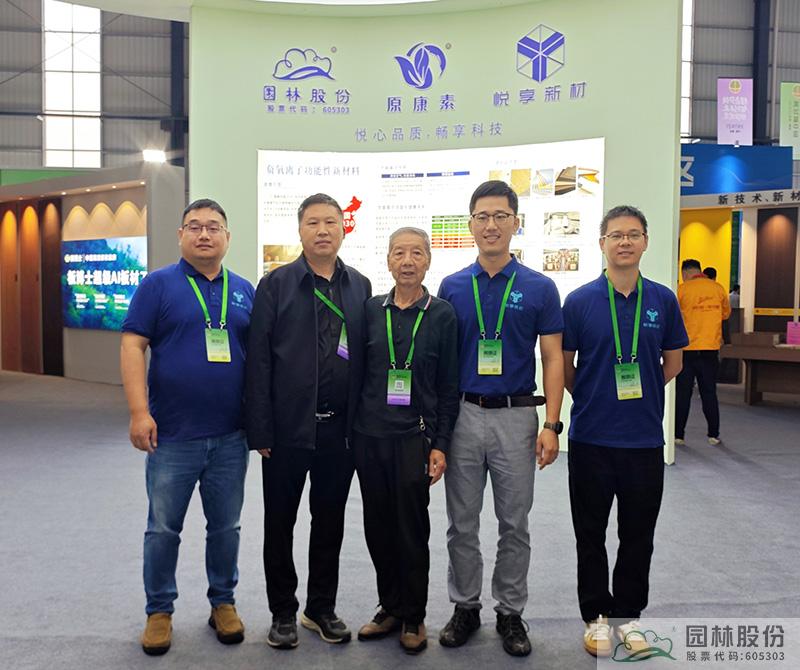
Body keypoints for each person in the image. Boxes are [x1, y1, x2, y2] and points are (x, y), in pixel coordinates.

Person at [437, 180, 565, 658]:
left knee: (514, 522)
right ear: (470, 224)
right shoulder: (452, 287)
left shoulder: (539, 287)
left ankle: (510, 611)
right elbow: (440, 362)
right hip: (463, 415)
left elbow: (552, 358)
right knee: (461, 522)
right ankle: (465, 606)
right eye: (482, 217)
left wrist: (552, 424)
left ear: (516, 222)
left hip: (517, 416)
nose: (491, 225)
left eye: (500, 216)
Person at [121, 199, 254, 656]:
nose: (204, 234)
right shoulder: (157, 285)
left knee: (226, 528)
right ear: (180, 235)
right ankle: (159, 610)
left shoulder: (244, 290)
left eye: (213, 227)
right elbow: (133, 345)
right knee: (163, 528)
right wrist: (139, 412)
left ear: (227, 237)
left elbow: (258, 360)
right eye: (194, 227)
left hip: (231, 437)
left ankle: (223, 602)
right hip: (172, 436)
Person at [245, 193, 371, 650]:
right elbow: (259, 360)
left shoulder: (359, 286)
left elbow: (367, 359)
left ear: (343, 229)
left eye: (331, 222)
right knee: (280, 523)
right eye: (313, 222)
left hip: (339, 432)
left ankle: (320, 607)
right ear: (300, 231)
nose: (322, 230)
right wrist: (260, 428)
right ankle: (282, 611)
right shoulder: (276, 284)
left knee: (329, 521)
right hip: (286, 431)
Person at [562, 205, 687, 658]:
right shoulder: (579, 301)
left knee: (638, 535)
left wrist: (643, 393)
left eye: (634, 234)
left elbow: (674, 362)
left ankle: (627, 618)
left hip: (643, 441)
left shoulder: (663, 300)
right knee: (590, 533)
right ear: (602, 243)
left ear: (646, 242)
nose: (625, 242)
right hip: (591, 439)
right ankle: (596, 617)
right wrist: (596, 396)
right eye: (616, 235)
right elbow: (566, 367)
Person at [353, 227, 459, 654]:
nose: (408, 261)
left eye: (417, 253)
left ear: (428, 260)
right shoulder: (370, 310)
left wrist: (441, 444)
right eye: (399, 253)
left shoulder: (442, 314)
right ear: (388, 260)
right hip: (369, 437)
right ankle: (391, 607)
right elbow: (357, 373)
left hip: (415, 438)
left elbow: (448, 386)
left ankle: (414, 615)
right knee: (377, 528)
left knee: (411, 530)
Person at [675, 259, 731, 446]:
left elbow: (674, 316)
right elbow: (725, 314)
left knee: (683, 393)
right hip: (710, 349)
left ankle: (678, 435)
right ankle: (713, 434)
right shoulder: (718, 289)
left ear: (685, 273)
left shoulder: (682, 290)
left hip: (687, 349)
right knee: (709, 392)